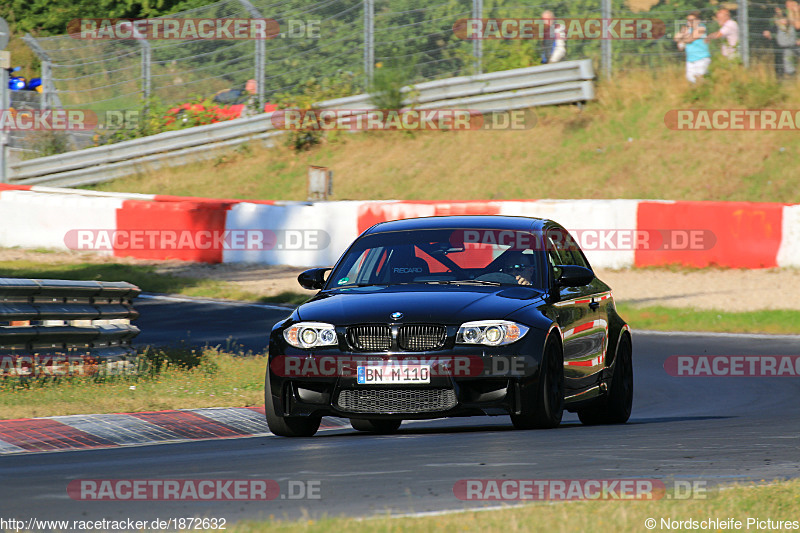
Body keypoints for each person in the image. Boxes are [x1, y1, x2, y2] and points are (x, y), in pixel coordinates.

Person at [674, 11, 711, 83]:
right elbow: (676, 38)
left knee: (701, 80)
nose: (690, 22)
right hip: (690, 60)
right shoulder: (687, 30)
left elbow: (691, 38)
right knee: (691, 81)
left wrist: (683, 39)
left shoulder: (701, 28)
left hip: (701, 59)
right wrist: (683, 33)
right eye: (688, 20)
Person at [763, 7, 797, 78]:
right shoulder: (775, 22)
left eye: (779, 10)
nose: (777, 11)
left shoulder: (790, 21)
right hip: (779, 45)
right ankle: (780, 76)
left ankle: (791, 75)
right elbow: (772, 28)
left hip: (790, 45)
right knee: (779, 60)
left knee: (789, 60)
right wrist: (768, 32)